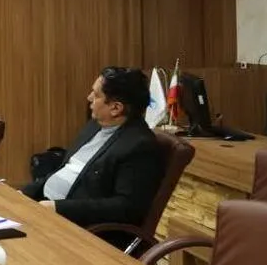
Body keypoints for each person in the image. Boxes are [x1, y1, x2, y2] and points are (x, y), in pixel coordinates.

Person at [21, 67, 165, 243]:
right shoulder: (95, 126)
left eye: (96, 95)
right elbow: (66, 168)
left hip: (82, 230)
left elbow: (125, 207)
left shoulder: (139, 146)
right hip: (47, 210)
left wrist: (59, 208)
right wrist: (23, 193)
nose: (89, 98)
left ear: (115, 108)